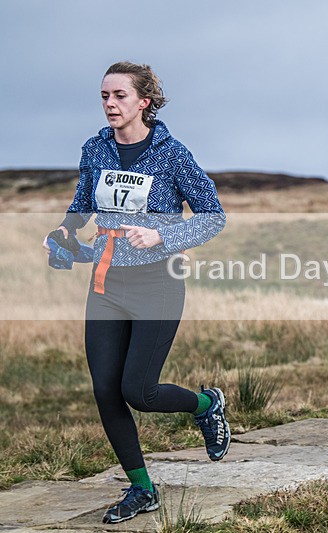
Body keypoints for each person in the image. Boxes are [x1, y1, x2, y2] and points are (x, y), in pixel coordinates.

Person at [42, 62, 230, 523]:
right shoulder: (95, 149)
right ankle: (142, 489)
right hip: (106, 284)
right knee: (106, 390)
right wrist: (63, 234)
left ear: (144, 102)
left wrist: (162, 237)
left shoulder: (171, 153)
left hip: (158, 283)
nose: (109, 103)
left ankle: (207, 405)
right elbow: (82, 206)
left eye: (120, 95)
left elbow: (213, 214)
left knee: (139, 391)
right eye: (104, 95)